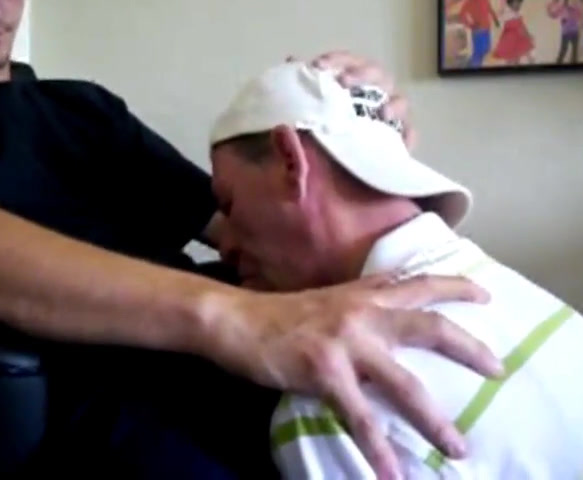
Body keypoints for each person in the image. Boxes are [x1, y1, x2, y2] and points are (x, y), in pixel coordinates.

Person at [0, 0, 503, 477]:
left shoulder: (83, 110)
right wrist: (237, 320)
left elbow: (244, 227)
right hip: (91, 400)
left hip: (231, 355)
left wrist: (353, 134)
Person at [209, 61, 583, 479]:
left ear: (290, 162)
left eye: (228, 204)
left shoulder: (338, 404)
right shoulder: (546, 312)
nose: (224, 246)